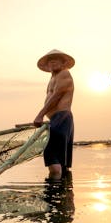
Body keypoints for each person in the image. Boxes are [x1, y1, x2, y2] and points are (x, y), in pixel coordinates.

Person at [34, 49, 75, 180]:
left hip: (61, 117)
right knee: (61, 161)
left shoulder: (64, 73)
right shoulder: (53, 78)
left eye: (56, 59)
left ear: (63, 63)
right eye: (50, 60)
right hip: (57, 119)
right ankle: (63, 192)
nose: (53, 62)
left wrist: (40, 115)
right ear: (47, 65)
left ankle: (54, 192)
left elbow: (57, 96)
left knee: (51, 154)